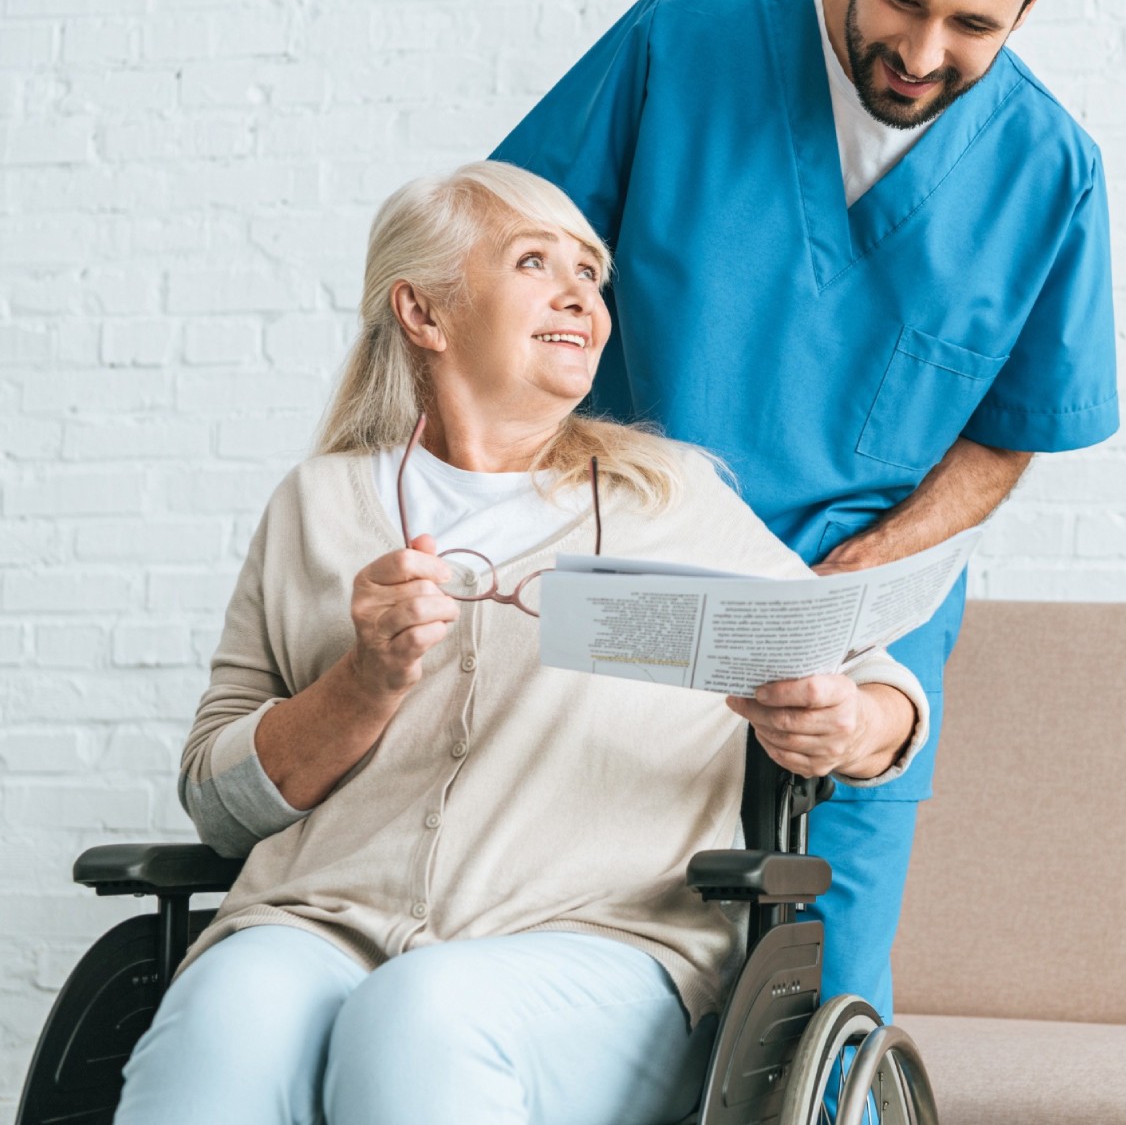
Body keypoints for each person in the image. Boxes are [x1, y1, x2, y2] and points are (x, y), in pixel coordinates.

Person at [113, 161, 930, 1125]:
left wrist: (854, 724)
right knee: (224, 1020)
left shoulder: (666, 499)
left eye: (590, 273)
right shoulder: (318, 506)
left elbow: (867, 677)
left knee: (423, 1014)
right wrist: (364, 683)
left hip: (606, 942)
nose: (579, 294)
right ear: (423, 310)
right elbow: (217, 799)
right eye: (535, 262)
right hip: (322, 921)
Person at [491, 0, 1119, 1020]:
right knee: (558, 949)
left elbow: (1004, 434)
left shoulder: (1050, 169)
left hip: (857, 620)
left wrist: (855, 577)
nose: (923, 50)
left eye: (974, 23)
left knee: (815, 996)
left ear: (1027, 11)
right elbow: (509, 271)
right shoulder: (680, 48)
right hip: (630, 571)